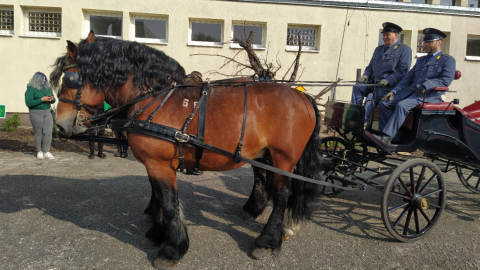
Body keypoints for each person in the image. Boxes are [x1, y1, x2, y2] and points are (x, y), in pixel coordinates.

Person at [374, 28, 456, 144]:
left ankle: (387, 136)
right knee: (384, 103)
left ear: (439, 42)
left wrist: (427, 85)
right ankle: (391, 134)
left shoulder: (447, 60)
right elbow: (408, 78)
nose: (426, 44)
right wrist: (395, 91)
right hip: (411, 93)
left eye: (429, 42)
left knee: (402, 105)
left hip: (429, 96)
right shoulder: (421, 60)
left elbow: (446, 80)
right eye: (425, 42)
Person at [351, 22, 412, 122]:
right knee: (358, 87)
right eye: (383, 35)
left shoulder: (404, 50)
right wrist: (365, 75)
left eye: (387, 34)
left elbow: (402, 71)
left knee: (371, 97)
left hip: (388, 87)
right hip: (374, 84)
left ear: (396, 35)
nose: (384, 37)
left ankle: (361, 123)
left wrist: (388, 80)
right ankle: (354, 114)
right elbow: (370, 67)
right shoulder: (378, 49)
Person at [24, 72, 56, 159]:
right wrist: (42, 99)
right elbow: (29, 103)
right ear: (37, 79)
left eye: (45, 79)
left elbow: (54, 101)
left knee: (48, 132)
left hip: (47, 112)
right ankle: (39, 151)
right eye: (43, 79)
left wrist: (51, 99)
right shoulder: (30, 89)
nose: (44, 81)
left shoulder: (47, 88)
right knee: (38, 133)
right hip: (35, 113)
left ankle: (47, 151)